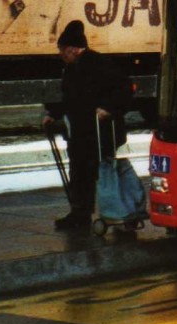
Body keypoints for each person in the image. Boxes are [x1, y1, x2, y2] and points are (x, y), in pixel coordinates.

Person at [43, 20, 131, 230]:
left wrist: (108, 108)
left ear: (73, 49)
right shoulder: (72, 68)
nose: (60, 54)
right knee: (79, 172)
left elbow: (125, 88)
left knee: (94, 174)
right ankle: (80, 214)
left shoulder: (98, 63)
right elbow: (70, 98)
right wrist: (53, 114)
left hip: (99, 133)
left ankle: (112, 212)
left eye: (62, 50)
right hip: (81, 133)